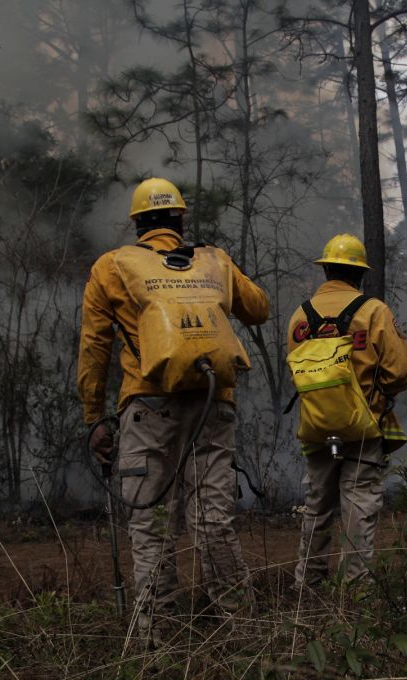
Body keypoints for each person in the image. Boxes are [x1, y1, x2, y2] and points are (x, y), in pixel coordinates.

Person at [77, 178, 269, 645]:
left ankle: (157, 638)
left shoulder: (111, 267)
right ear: (181, 221)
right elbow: (258, 309)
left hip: (147, 406)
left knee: (151, 523)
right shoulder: (214, 260)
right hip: (212, 402)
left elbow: (94, 348)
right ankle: (241, 629)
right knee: (213, 519)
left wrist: (93, 420)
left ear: (138, 224)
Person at [287, 234, 407, 589]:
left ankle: (307, 584)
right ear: (360, 274)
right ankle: (355, 590)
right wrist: (377, 394)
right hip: (363, 426)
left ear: (325, 269)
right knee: (358, 504)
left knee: (317, 505)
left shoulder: (300, 316)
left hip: (315, 427)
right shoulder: (373, 311)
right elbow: (399, 372)